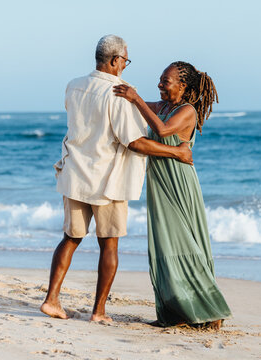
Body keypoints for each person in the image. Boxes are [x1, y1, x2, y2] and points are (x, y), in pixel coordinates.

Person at [40, 36, 193, 323]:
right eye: (125, 60)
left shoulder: (73, 86)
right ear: (114, 60)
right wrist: (176, 153)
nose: (125, 65)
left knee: (70, 238)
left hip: (75, 173)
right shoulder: (119, 93)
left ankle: (51, 300)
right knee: (109, 245)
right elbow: (133, 142)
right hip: (106, 181)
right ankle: (98, 312)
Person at [113, 61, 232, 329]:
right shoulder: (163, 107)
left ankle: (212, 310)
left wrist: (136, 99)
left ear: (183, 86)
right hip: (160, 181)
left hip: (179, 182)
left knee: (183, 243)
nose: (159, 85)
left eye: (165, 81)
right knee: (164, 243)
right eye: (160, 79)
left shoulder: (186, 111)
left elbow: (164, 130)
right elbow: (139, 108)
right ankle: (175, 311)